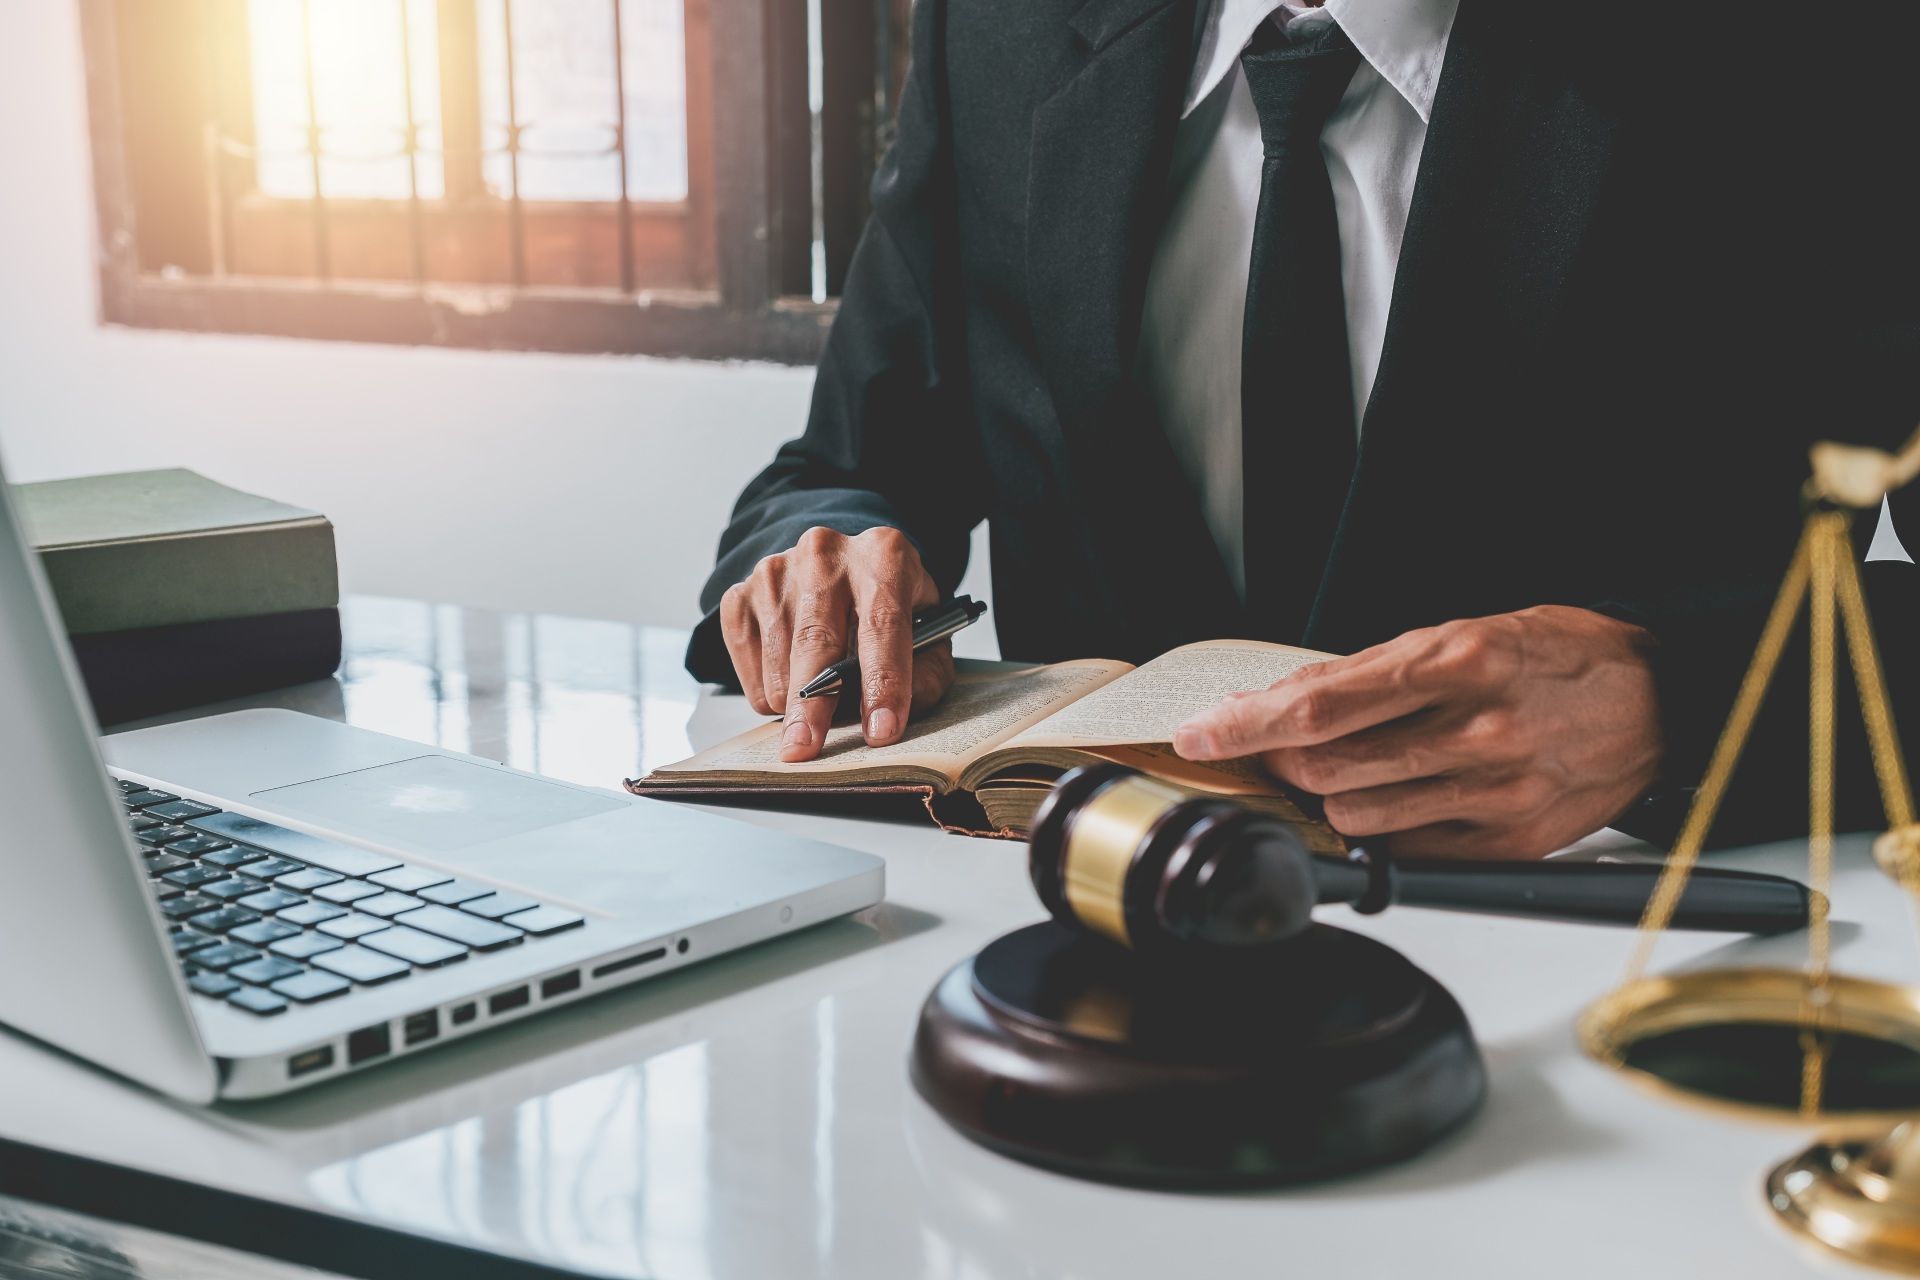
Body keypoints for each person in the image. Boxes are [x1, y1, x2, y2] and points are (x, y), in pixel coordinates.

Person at [688, 0, 1920, 856]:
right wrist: (826, 554)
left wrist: (1677, 700)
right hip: (1063, 936)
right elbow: (846, 467)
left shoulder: (1834, 51)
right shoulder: (997, 29)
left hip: (1609, 958)